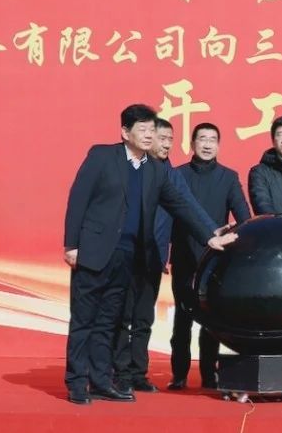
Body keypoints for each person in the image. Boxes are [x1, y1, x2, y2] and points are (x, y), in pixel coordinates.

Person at [63, 104, 234, 406]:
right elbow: (79, 198)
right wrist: (71, 245)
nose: (148, 135)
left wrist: (210, 235)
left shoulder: (155, 169)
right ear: (125, 132)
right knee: (84, 320)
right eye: (142, 129)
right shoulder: (102, 156)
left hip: (129, 256)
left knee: (109, 322)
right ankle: (77, 381)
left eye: (152, 130)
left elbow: (181, 204)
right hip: (94, 252)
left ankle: (101, 381)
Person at [112, 117, 213, 393]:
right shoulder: (132, 169)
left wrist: (212, 233)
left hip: (153, 257)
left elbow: (189, 206)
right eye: (162, 138)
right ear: (148, 138)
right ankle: (119, 372)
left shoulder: (171, 174)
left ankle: (137, 373)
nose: (167, 144)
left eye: (171, 139)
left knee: (144, 318)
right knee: (122, 315)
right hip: (126, 254)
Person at [167, 122, 251, 390]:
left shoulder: (229, 177)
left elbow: (244, 217)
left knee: (212, 321)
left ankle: (209, 373)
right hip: (184, 256)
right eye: (202, 139)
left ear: (219, 145)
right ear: (192, 144)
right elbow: (166, 218)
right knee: (182, 320)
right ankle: (179, 374)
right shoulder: (176, 175)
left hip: (216, 261)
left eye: (212, 139)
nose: (207, 144)